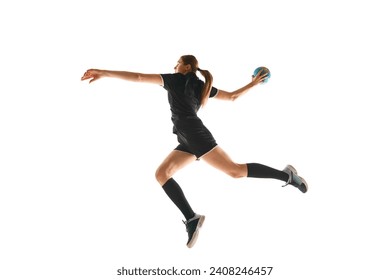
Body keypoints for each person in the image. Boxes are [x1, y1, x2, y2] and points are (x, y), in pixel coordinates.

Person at [81, 55, 308, 248]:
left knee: (235, 172)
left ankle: (287, 175)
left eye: (177, 63)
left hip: (194, 133)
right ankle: (192, 218)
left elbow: (139, 77)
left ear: (187, 67)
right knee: (162, 174)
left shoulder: (175, 80)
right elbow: (232, 97)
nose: (174, 67)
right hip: (186, 137)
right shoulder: (201, 86)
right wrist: (253, 84)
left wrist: (103, 72)